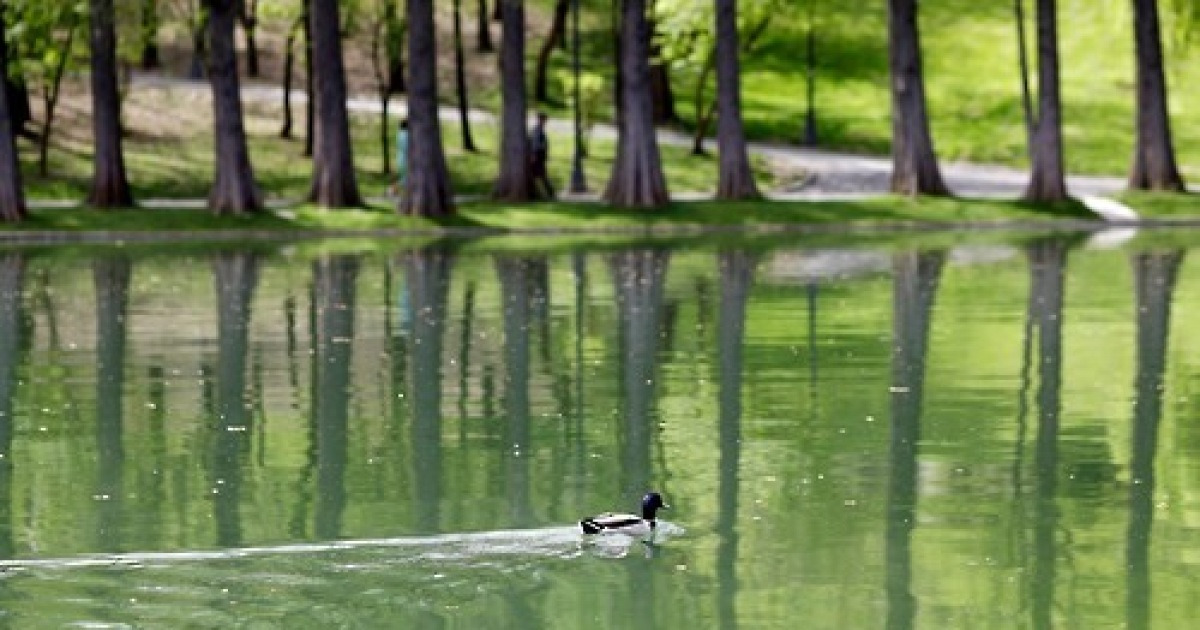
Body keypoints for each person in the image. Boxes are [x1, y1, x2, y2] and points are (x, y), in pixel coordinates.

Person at [528, 112, 555, 199]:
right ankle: (549, 192)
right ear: (539, 120)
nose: (545, 122)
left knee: (539, 174)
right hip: (537, 155)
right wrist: (533, 155)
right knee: (539, 175)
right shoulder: (537, 130)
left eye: (545, 120)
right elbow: (535, 144)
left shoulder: (540, 130)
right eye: (543, 120)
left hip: (540, 155)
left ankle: (547, 192)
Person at [392, 118, 409, 197]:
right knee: (405, 177)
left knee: (402, 176)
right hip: (406, 158)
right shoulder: (407, 135)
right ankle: (393, 190)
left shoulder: (399, 134)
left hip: (399, 158)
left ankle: (394, 190)